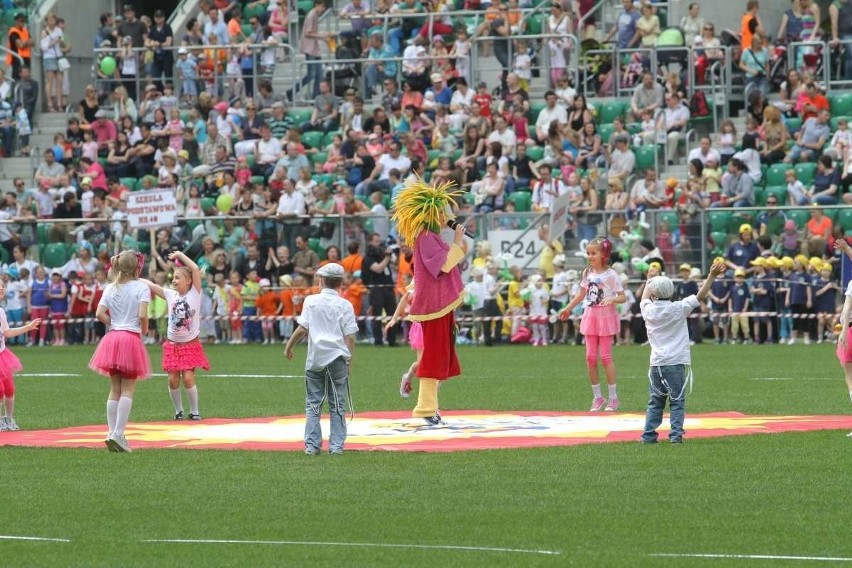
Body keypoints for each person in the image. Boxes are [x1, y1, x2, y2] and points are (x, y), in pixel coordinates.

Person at [391, 178, 467, 425]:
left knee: (437, 357)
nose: (447, 215)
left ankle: (430, 407)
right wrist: (456, 242)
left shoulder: (430, 237)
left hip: (440, 307)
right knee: (432, 358)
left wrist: (454, 244)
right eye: (443, 210)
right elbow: (443, 265)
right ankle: (425, 408)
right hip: (434, 307)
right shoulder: (425, 237)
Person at [639, 260, 726, 444]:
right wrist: (711, 275)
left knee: (655, 401)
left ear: (654, 293)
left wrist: (649, 280)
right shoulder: (678, 308)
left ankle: (648, 435)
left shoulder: (648, 310)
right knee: (677, 401)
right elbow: (700, 295)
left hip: (656, 363)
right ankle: (675, 435)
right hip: (675, 362)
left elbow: (644, 299)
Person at [285, 262, 358, 455]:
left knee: (313, 403)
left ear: (322, 280)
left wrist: (289, 346)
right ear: (340, 283)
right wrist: (349, 359)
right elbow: (350, 336)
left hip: (316, 358)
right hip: (337, 358)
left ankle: (312, 446)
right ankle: (336, 447)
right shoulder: (345, 305)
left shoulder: (311, 301)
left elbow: (302, 328)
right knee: (338, 404)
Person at [88, 250, 151, 453]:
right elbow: (142, 315)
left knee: (114, 388)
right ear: (136, 267)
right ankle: (119, 433)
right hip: (130, 337)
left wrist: (114, 323)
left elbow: (99, 313)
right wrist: (144, 328)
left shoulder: (110, 287)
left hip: (113, 337)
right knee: (128, 388)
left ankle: (110, 432)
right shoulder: (141, 288)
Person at [559, 238, 627, 412]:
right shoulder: (587, 273)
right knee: (590, 357)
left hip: (605, 317)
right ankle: (597, 397)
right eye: (588, 253)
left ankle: (613, 398)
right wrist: (567, 308)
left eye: (593, 253)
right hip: (590, 316)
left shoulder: (611, 275)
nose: (589, 256)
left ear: (603, 254)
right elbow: (581, 295)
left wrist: (612, 298)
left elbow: (622, 296)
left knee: (605, 357)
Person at [141, 251, 209, 421]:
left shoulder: (195, 293)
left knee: (187, 378)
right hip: (172, 346)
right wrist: (134, 278)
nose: (174, 280)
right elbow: (150, 284)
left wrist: (179, 255)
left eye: (178, 277)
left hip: (189, 345)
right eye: (173, 277)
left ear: (189, 280)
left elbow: (193, 267)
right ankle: (178, 411)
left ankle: (194, 411)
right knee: (172, 380)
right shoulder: (171, 295)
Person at [0, 279, 41, 431]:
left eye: (3, 285)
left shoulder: (1, 312)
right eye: (0, 286)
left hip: (2, 355)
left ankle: (8, 419)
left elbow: (7, 332)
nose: (2, 288)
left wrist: (28, 327)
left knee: (9, 389)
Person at [385, 283, 422, 398]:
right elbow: (405, 298)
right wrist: (394, 319)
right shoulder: (420, 277)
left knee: (439, 364)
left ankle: (432, 402)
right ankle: (408, 377)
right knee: (422, 363)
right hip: (421, 326)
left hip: (437, 326)